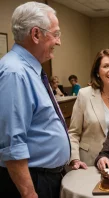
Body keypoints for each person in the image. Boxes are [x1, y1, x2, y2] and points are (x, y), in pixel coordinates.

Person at [0, 2, 70, 198]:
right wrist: (29, 193)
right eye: (55, 34)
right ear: (36, 34)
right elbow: (12, 144)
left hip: (45, 177)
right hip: (33, 182)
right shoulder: (15, 73)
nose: (59, 41)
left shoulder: (31, 70)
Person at [68, 49, 109, 169]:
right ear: (97, 72)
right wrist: (75, 159)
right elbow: (74, 133)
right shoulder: (84, 95)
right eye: (106, 66)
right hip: (89, 163)